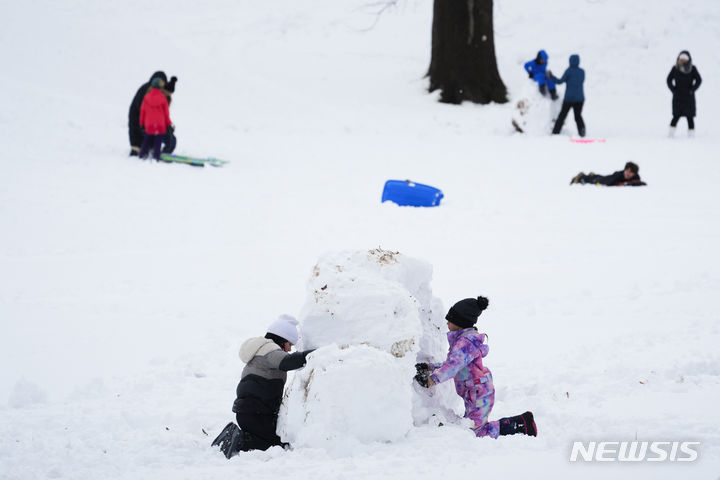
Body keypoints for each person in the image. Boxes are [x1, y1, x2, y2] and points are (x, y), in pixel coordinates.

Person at [415, 297, 537, 439]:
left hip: (479, 394)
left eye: (450, 319)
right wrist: (429, 366)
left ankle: (522, 424)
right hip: (475, 391)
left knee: (474, 432)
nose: (447, 322)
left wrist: (431, 380)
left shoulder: (465, 343)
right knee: (472, 427)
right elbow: (454, 363)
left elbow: (453, 366)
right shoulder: (463, 342)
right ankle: (522, 422)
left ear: (460, 323)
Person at [211, 315, 314, 458]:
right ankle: (237, 439)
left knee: (275, 442)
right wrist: (314, 354)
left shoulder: (263, 350)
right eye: (289, 344)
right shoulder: (269, 350)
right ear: (282, 340)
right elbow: (288, 362)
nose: (290, 349)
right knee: (272, 445)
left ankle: (237, 436)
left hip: (254, 412)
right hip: (255, 413)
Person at [128, 71, 177, 156]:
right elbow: (136, 118)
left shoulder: (161, 94)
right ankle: (146, 150)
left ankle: (158, 152)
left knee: (171, 139)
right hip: (141, 130)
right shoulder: (145, 93)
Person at [667, 50, 702, 137]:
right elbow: (668, 80)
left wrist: (692, 89)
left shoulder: (692, 68)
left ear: (688, 59)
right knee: (676, 116)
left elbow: (699, 80)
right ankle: (670, 135)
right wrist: (673, 90)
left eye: (684, 59)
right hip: (678, 96)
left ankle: (691, 136)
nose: (683, 60)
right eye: (681, 59)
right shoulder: (675, 68)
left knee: (690, 117)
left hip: (689, 97)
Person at [549, 54, 586, 137]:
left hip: (569, 99)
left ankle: (555, 132)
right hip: (580, 99)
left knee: (562, 116)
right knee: (578, 116)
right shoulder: (582, 72)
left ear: (570, 61)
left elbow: (560, 81)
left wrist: (551, 77)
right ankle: (582, 131)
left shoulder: (568, 71)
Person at [138, 78, 173, 160]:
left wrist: (141, 123)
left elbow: (142, 111)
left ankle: (142, 154)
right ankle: (156, 156)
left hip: (149, 124)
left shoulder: (146, 98)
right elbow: (166, 114)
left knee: (147, 139)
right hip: (160, 125)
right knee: (158, 141)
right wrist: (168, 124)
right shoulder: (163, 98)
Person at [570, 161, 646, 186]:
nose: (628, 174)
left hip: (607, 178)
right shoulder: (618, 175)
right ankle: (581, 177)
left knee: (600, 177)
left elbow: (641, 183)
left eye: (631, 172)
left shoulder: (636, 177)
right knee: (596, 180)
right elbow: (609, 183)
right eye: (627, 171)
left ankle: (592, 175)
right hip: (606, 180)